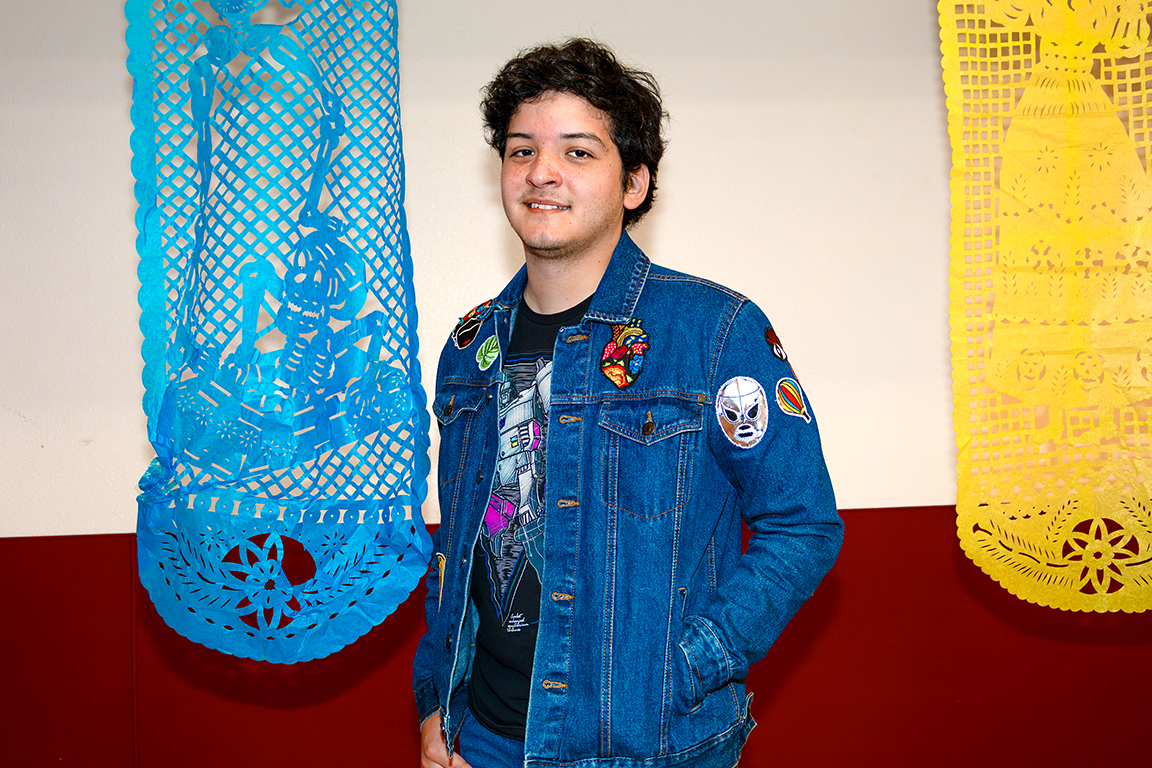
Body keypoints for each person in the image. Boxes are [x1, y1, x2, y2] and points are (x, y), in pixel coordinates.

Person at [413, 38, 842, 768]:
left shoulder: (714, 333)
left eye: (578, 152)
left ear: (634, 182)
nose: (542, 171)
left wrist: (687, 666)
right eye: (522, 151)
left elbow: (803, 527)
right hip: (478, 743)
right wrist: (433, 704)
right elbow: (458, 547)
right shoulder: (469, 348)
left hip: (647, 747)